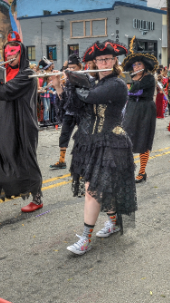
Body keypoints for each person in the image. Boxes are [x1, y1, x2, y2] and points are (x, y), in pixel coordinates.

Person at [51, 40, 136, 256]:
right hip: (90, 142)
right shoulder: (94, 82)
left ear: (114, 60)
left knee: (92, 190)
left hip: (111, 142)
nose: (104, 62)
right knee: (102, 188)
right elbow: (72, 111)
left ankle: (85, 239)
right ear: (95, 62)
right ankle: (115, 223)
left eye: (108, 58)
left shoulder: (116, 83)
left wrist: (72, 80)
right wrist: (59, 86)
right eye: (100, 59)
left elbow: (90, 97)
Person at [0, 32, 44, 218]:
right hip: (5, 122)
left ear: (22, 54)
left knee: (26, 161)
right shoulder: (5, 73)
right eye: (7, 54)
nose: (10, 57)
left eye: (14, 54)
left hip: (23, 123)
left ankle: (37, 199)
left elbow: (6, 92)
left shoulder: (27, 74)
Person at [121, 37, 158, 183]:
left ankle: (142, 172)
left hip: (145, 110)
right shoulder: (131, 77)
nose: (136, 66)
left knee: (143, 139)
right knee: (126, 138)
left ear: (144, 65)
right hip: (131, 109)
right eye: (134, 64)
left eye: (139, 64)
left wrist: (127, 80)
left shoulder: (148, 78)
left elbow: (133, 90)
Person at [50, 54, 82, 170]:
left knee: (85, 136)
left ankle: (88, 161)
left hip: (81, 112)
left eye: (74, 67)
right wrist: (57, 83)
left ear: (79, 67)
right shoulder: (67, 79)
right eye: (70, 67)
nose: (71, 69)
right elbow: (62, 97)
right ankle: (62, 161)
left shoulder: (84, 77)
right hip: (69, 112)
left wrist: (68, 76)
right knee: (64, 135)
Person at [37, 58, 53, 127]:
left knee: (48, 107)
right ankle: (45, 120)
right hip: (43, 94)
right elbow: (40, 86)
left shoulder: (47, 75)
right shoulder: (43, 75)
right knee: (45, 107)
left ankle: (47, 119)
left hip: (47, 94)